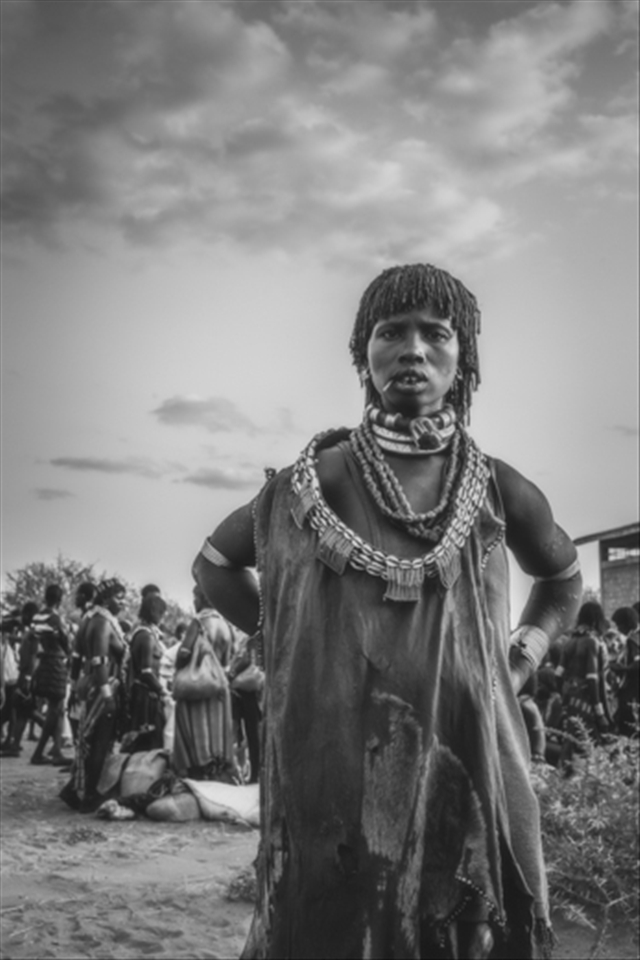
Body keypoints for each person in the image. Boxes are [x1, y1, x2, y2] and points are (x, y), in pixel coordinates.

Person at [193, 262, 582, 959]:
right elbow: (214, 567)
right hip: (339, 771)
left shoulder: (499, 489)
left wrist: (518, 661)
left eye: (436, 334)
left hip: (473, 765)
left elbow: (562, 581)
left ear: (464, 356)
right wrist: (292, 648)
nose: (413, 350)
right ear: (362, 352)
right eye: (391, 332)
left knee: (468, 932)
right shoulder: (314, 485)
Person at [60, 579, 126, 812]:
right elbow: (99, 660)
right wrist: (107, 697)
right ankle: (89, 795)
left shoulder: (88, 619)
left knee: (87, 741)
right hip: (102, 687)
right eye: (119, 598)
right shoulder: (102, 622)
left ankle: (73, 789)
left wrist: (73, 687)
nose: (123, 603)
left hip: (87, 685)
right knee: (99, 741)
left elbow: (76, 658)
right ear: (106, 599)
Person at [171, 586, 236, 781]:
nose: (194, 602)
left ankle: (198, 777)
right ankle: (215, 775)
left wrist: (180, 665)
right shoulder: (226, 625)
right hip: (219, 687)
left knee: (196, 732)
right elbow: (227, 660)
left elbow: (184, 653)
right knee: (218, 734)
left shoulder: (198, 622)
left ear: (203, 598)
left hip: (198, 687)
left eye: (195, 597)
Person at [556, 601, 612, 746]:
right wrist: (600, 713)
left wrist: (565, 699)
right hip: (588, 703)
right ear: (596, 620)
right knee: (589, 746)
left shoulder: (569, 642)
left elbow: (558, 675)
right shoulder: (592, 642)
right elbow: (592, 679)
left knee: (572, 744)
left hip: (570, 701)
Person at [29, 584, 71, 766]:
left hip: (43, 661)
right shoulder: (56, 618)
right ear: (60, 600)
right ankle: (40, 752)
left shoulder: (37, 617)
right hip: (56, 663)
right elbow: (65, 641)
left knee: (58, 709)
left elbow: (33, 638)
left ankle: (57, 750)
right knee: (55, 709)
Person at [126, 590, 170, 751]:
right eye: (161, 613)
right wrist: (164, 692)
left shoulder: (146, 634)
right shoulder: (146, 636)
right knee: (147, 743)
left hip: (146, 695)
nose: (162, 618)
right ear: (153, 611)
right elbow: (146, 673)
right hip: (145, 698)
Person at [609, 606, 639, 736]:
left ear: (627, 624)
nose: (618, 629)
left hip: (633, 688)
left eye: (619, 625)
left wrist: (622, 668)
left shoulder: (634, 640)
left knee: (628, 722)